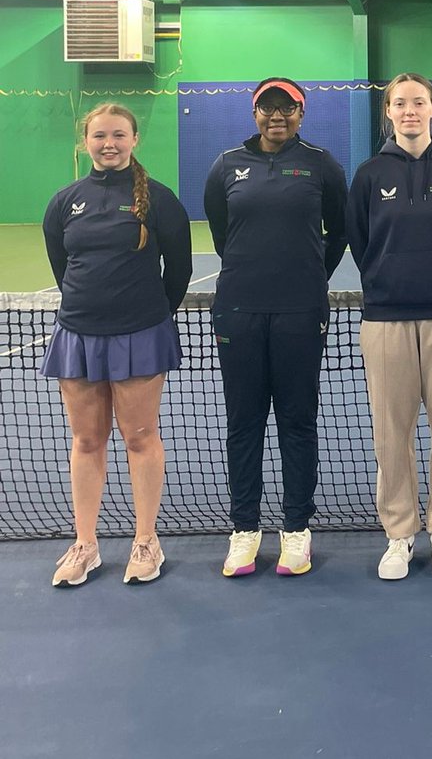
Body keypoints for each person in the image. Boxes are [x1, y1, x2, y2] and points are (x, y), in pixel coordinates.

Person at [41, 103, 192, 586]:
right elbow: (61, 267)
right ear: (85, 141)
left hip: (141, 336)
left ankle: (146, 541)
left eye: (119, 135)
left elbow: (180, 269)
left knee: (140, 438)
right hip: (78, 336)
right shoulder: (65, 201)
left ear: (134, 140)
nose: (109, 144)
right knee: (86, 441)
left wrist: (148, 316)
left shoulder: (160, 200)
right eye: (100, 136)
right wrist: (90, 309)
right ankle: (85, 545)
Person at [204, 77, 348, 577]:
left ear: (301, 113)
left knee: (296, 420)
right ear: (254, 113)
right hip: (238, 312)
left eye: (287, 107)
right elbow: (222, 231)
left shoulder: (321, 164)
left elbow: (341, 230)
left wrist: (309, 276)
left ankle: (296, 531)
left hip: (300, 312)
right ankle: (244, 530)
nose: (277, 115)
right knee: (244, 423)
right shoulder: (226, 165)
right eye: (268, 107)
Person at [347, 73, 432, 580]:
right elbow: (360, 241)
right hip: (385, 319)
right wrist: (388, 282)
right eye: (400, 103)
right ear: (389, 111)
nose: (410, 111)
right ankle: (400, 534)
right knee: (391, 435)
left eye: (418, 103)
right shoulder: (368, 174)